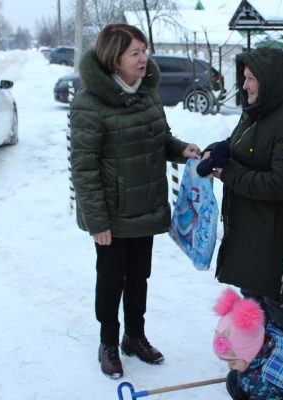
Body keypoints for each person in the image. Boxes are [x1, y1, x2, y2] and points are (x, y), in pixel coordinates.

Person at [69, 24, 199, 379]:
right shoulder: (89, 103)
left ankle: (134, 336)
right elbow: (83, 169)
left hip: (147, 205)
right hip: (112, 214)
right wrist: (97, 222)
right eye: (135, 53)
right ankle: (108, 342)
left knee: (139, 276)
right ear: (115, 58)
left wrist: (181, 149)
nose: (144, 59)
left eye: (145, 50)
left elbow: (161, 138)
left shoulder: (147, 94)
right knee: (111, 280)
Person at [197, 47, 283, 345]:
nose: (245, 84)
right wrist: (216, 150)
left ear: (269, 80)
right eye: (244, 77)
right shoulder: (255, 114)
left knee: (278, 306)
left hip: (274, 240)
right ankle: (262, 363)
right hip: (250, 233)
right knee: (254, 302)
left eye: (251, 78)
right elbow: (237, 146)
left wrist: (229, 174)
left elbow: (281, 184)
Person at [213, 288, 283, 399]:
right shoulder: (262, 342)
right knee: (233, 378)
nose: (229, 366)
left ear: (250, 353)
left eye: (233, 362)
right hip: (259, 381)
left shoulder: (271, 376)